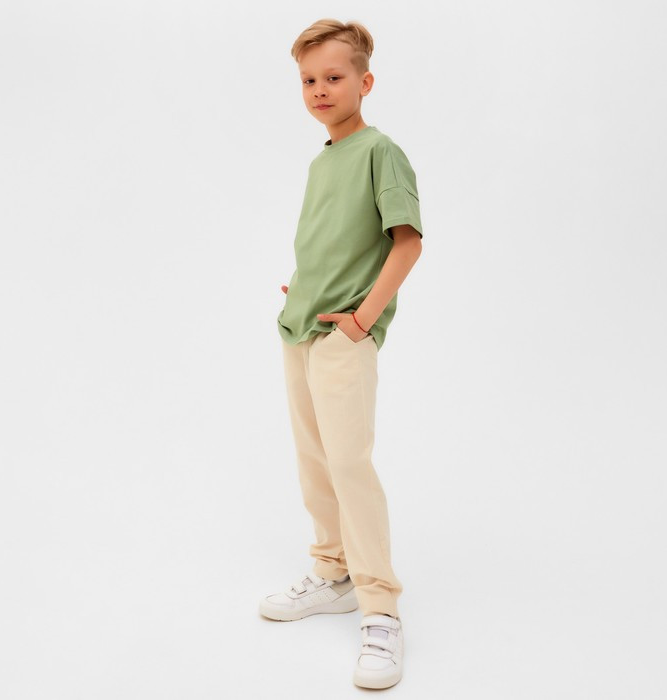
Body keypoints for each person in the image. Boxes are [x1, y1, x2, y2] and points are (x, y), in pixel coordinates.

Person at [259, 18, 424, 690]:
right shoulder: (322, 160)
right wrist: (306, 286)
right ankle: (333, 573)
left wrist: (360, 319)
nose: (320, 90)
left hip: (341, 338)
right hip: (300, 328)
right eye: (308, 80)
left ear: (365, 82)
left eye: (333, 77)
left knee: (350, 464)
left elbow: (407, 242)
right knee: (315, 461)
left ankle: (380, 608)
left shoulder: (381, 151)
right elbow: (334, 240)